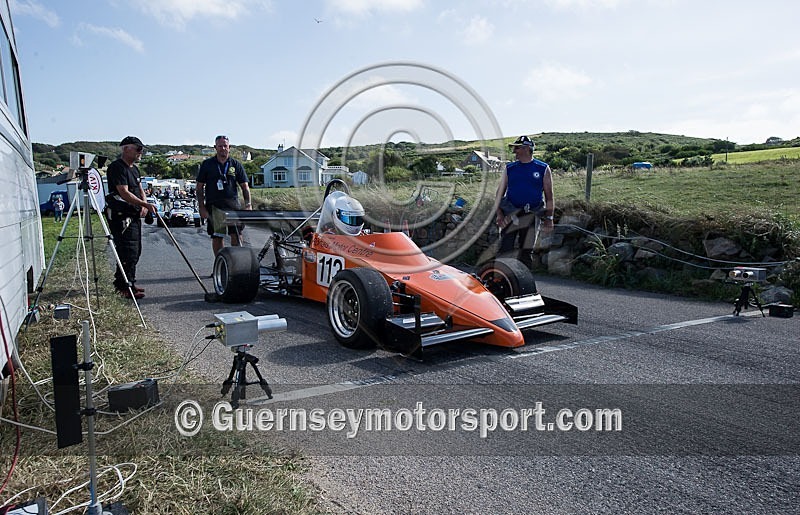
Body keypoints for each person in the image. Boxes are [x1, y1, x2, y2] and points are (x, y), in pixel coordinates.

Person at [106, 136, 157, 299]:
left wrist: (144, 203)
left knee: (135, 251)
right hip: (121, 215)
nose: (140, 152)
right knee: (126, 251)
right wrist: (145, 205)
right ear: (126, 148)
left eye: (141, 149)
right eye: (138, 149)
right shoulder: (117, 168)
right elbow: (124, 192)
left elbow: (139, 188)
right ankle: (122, 286)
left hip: (133, 214)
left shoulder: (134, 169)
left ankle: (130, 282)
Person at [494, 135, 555, 268]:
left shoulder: (543, 168)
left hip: (532, 214)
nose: (514, 151)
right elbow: (499, 194)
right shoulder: (510, 168)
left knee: (526, 251)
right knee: (505, 249)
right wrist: (499, 214)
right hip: (511, 214)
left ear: (527, 148)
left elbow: (549, 196)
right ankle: (500, 282)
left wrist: (549, 218)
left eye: (517, 148)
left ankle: (524, 285)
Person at [196, 135, 252, 256]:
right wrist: (201, 207)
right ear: (215, 147)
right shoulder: (207, 164)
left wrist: (248, 205)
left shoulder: (236, 165)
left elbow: (245, 187)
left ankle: (237, 264)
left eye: (225, 146)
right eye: (220, 146)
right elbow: (199, 187)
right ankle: (219, 266)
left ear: (229, 147)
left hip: (233, 206)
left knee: (236, 235)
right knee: (217, 237)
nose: (223, 148)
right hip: (214, 206)